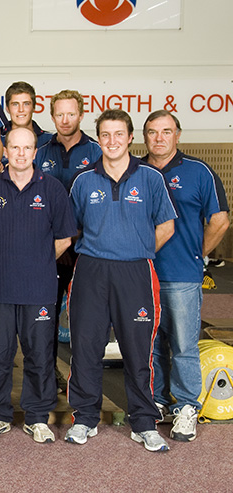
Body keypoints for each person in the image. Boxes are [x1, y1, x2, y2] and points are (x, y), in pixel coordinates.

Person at [66, 109, 177, 451]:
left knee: (138, 349)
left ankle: (144, 422)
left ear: (130, 138)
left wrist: (137, 249)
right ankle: (85, 418)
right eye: (105, 134)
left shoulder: (150, 178)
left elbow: (166, 226)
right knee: (85, 347)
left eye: (118, 134)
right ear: (98, 139)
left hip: (135, 272)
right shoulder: (83, 181)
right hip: (91, 271)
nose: (112, 141)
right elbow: (72, 229)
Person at [0, 127, 77, 444]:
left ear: (35, 152)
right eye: (14, 147)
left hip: (38, 288)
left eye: (26, 148)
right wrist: (5, 256)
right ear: (5, 151)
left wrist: (37, 260)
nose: (20, 153)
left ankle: (37, 417)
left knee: (39, 356)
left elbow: (65, 237)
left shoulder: (52, 189)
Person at [143, 110, 230, 442]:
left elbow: (220, 220)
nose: (159, 138)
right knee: (150, 344)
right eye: (153, 132)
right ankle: (157, 401)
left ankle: (186, 407)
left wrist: (198, 254)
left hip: (182, 275)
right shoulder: (136, 170)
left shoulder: (199, 171)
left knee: (183, 344)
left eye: (166, 131)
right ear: (145, 136)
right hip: (143, 274)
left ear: (177, 135)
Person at [35, 89, 102, 391]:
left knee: (87, 317)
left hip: (87, 249)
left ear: (81, 115)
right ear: (52, 116)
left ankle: (85, 379)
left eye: (71, 114)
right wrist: (54, 243)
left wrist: (73, 237)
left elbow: (102, 206)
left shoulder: (97, 152)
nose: (65, 120)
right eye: (59, 114)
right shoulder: (40, 152)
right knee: (46, 316)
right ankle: (49, 375)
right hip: (50, 250)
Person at [1, 81, 48, 148]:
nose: (21, 110)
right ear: (7, 108)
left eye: (26, 104)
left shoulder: (49, 140)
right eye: (15, 104)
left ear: (34, 107)